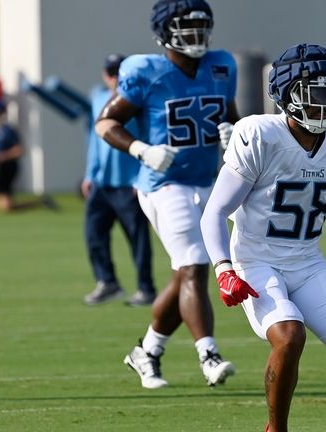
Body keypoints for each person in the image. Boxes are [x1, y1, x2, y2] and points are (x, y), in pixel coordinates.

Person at [200, 43, 326, 432]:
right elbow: (215, 212)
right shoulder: (259, 134)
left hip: (306, 260)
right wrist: (223, 269)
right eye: (315, 93)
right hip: (256, 259)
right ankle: (277, 429)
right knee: (289, 335)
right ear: (287, 94)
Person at [94, 0, 241, 389]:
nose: (197, 37)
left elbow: (232, 115)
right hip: (163, 184)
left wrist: (233, 134)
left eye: (201, 27)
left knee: (185, 274)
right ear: (164, 33)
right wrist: (141, 149)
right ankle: (208, 355)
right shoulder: (147, 71)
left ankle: (148, 350)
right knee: (194, 265)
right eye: (186, 28)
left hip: (209, 180)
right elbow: (106, 122)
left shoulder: (222, 65)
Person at [81, 54, 157, 307]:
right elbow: (95, 139)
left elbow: (150, 137)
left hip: (130, 182)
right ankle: (107, 282)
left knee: (138, 239)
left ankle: (146, 288)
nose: (114, 77)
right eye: (110, 72)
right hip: (103, 182)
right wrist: (90, 174)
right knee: (94, 234)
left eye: (118, 72)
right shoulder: (99, 97)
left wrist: (142, 176)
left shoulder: (137, 99)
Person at [0, 100, 58, 214]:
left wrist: (2, 157)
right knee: (8, 207)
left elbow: (19, 150)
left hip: (6, 169)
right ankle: (41, 202)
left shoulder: (8, 130)